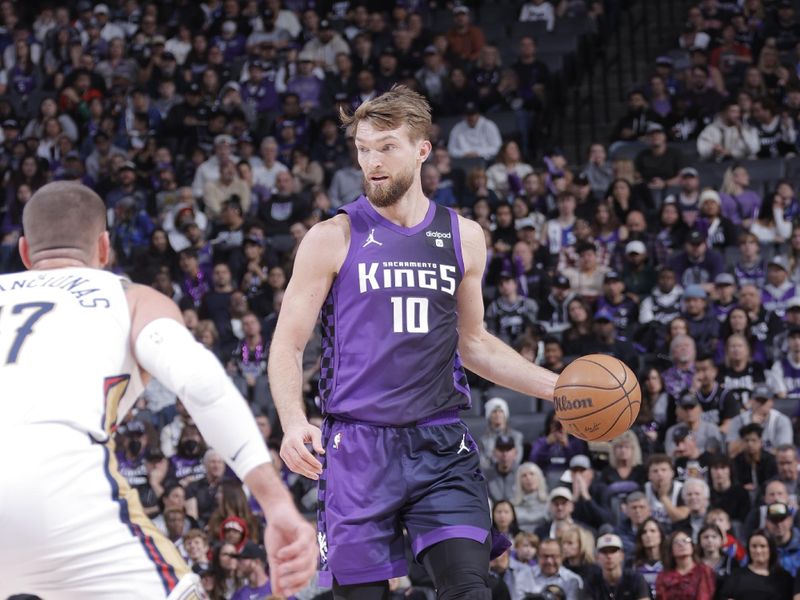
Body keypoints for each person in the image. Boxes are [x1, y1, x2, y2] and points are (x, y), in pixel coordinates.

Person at [268, 86, 561, 598]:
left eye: (387, 147)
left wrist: (559, 387)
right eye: (363, 148)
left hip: (440, 444)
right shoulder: (331, 237)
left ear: (422, 149)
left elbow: (475, 344)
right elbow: (288, 345)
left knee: (470, 588)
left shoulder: (463, 236)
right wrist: (293, 423)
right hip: (357, 450)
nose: (372, 162)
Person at [0, 181, 317, 598]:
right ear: (103, 248)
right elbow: (201, 383)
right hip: (63, 493)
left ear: (24, 252)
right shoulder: (128, 297)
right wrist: (275, 503)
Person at [717, 530, 793, 600]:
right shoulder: (736, 576)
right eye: (754, 546)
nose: (758, 551)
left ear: (771, 549)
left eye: (763, 546)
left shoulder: (784, 578)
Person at [583, 533, 650, 600]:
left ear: (622, 555)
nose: (609, 556)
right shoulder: (591, 581)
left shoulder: (636, 579)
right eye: (604, 552)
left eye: (613, 551)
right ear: (597, 557)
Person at [654, 531, 716, 600]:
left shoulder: (704, 571)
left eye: (685, 541)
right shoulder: (663, 576)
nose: (681, 544)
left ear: (692, 546)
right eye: (676, 542)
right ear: (671, 549)